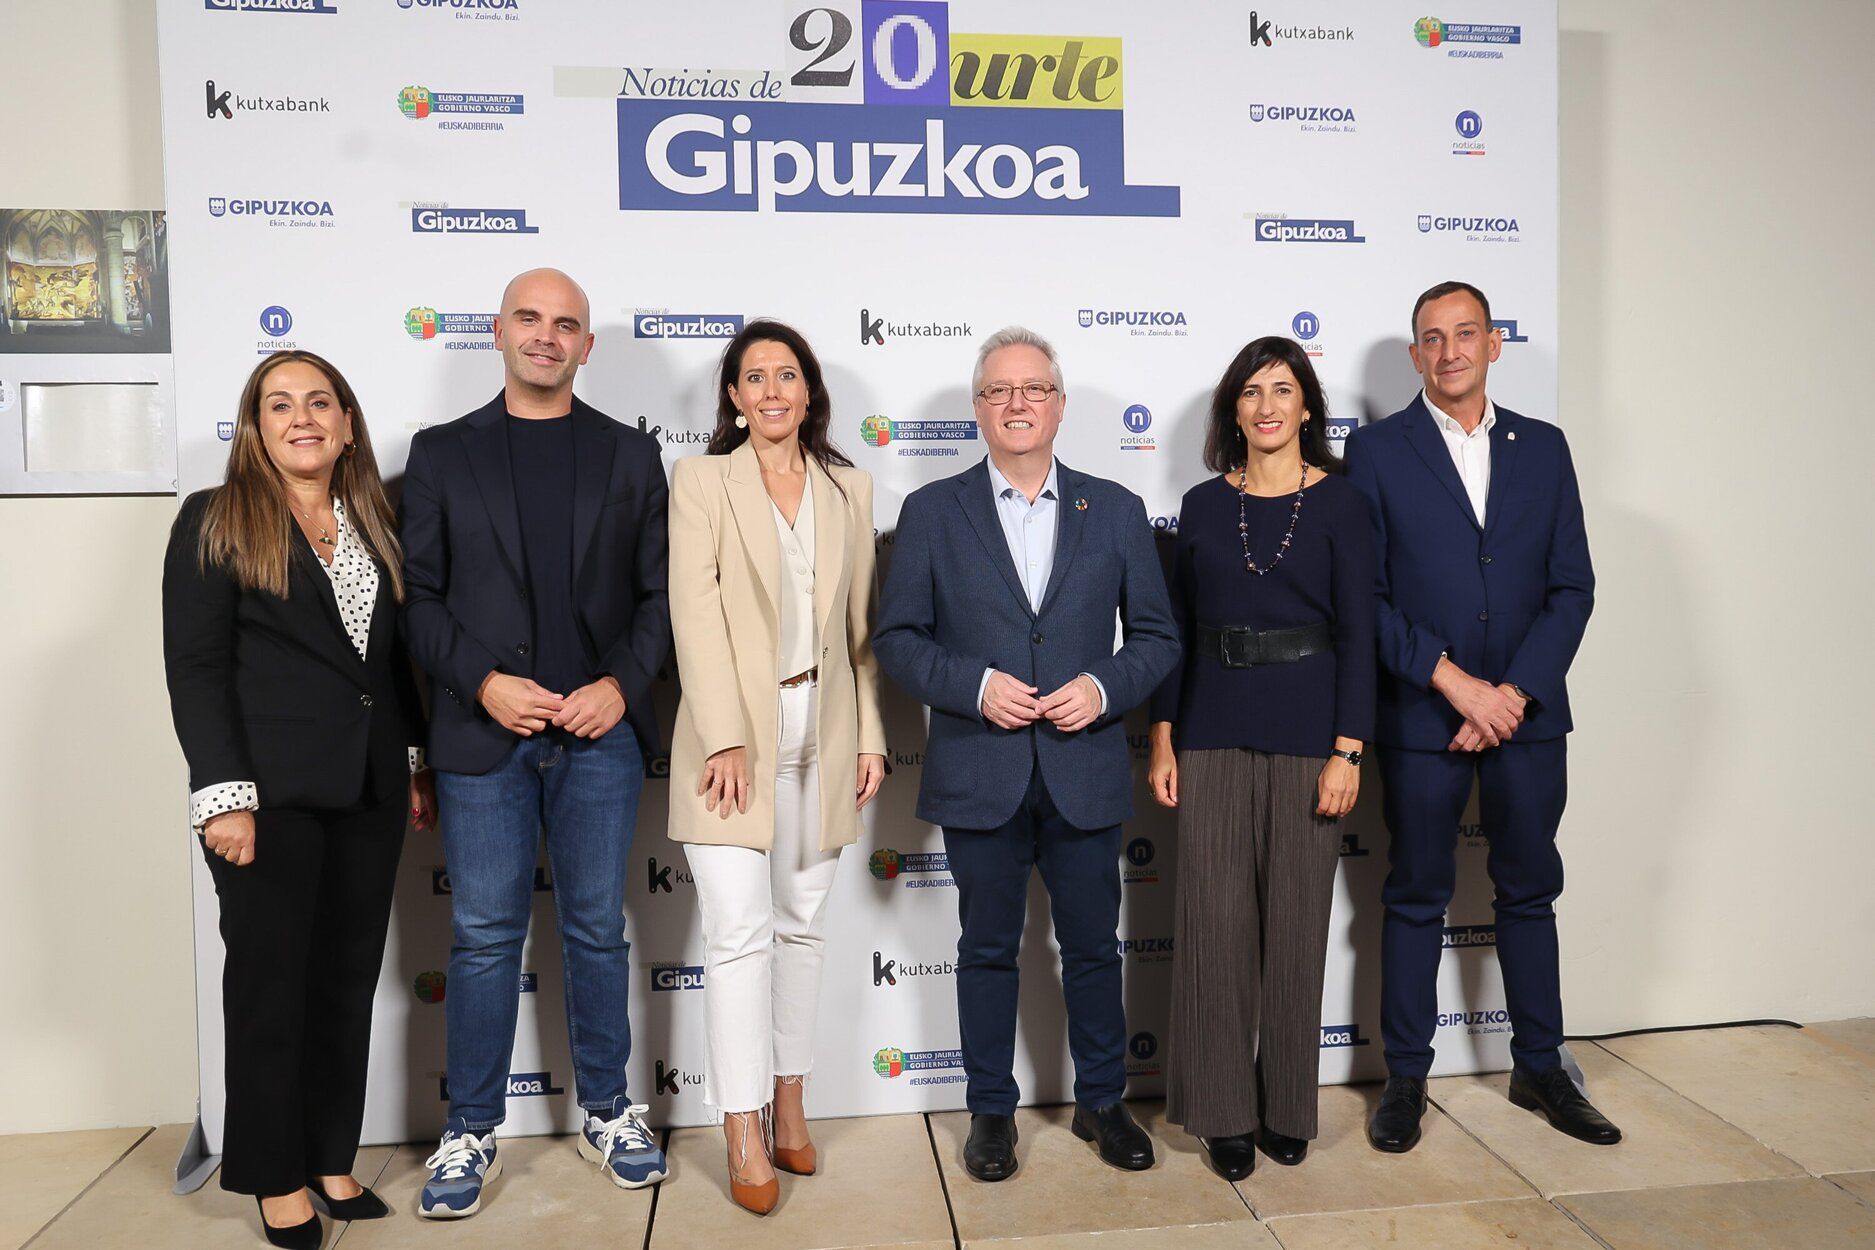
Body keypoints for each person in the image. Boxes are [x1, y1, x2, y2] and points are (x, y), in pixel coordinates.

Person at [874, 327, 1180, 1182]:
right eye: (998, 390)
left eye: (1033, 389)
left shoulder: (1113, 509)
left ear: (1058, 405)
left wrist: (1102, 687)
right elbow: (896, 639)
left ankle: (1103, 1103)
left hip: (1083, 768)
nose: (1016, 403)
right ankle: (989, 1114)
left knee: (1092, 949)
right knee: (985, 949)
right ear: (977, 408)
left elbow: (1157, 638)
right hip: (982, 769)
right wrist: (972, 686)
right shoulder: (934, 512)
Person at [400, 268, 673, 1217]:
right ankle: (469, 1128)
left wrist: (618, 687)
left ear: (587, 346)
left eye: (566, 325)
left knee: (597, 929)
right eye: (530, 318)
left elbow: (659, 600)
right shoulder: (438, 454)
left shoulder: (631, 458)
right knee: (480, 937)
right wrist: (481, 681)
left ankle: (607, 1109)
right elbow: (418, 603)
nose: (547, 336)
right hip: (482, 736)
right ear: (499, 331)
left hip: (597, 739)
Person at [162, 350, 432, 1249]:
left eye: (321, 402)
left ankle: (328, 1156)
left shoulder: (375, 523)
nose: (302, 417)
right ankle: (273, 1174)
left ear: (348, 422)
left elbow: (385, 667)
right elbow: (196, 670)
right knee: (270, 988)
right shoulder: (214, 519)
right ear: (255, 427)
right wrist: (223, 798)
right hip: (265, 798)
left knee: (345, 982)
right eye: (280, 405)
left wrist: (413, 761)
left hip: (368, 789)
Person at [1345, 280, 1619, 1152]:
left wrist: (1513, 695)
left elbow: (1570, 587)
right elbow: (1368, 598)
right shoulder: (1378, 453)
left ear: (1493, 343)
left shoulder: (1543, 447)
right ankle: (1406, 1082)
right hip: (1425, 717)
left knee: (1529, 893)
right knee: (1416, 894)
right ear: (1415, 353)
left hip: (1526, 719)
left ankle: (1540, 1066)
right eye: (1432, 337)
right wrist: (1457, 686)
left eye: (1466, 333)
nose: (1450, 350)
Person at [666, 320, 886, 1215]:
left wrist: (871, 734)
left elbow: (862, 634)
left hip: (823, 725)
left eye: (784, 375)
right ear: (732, 396)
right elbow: (694, 608)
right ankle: (742, 1123)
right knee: (736, 934)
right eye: (752, 377)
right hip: (734, 734)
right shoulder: (701, 481)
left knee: (801, 923)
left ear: (807, 391)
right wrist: (723, 734)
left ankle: (793, 1097)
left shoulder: (849, 487)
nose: (769, 391)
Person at [1147, 337, 1375, 1179]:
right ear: (1232, 410)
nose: (1267, 405)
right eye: (1250, 392)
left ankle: (1286, 1106)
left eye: (1283, 390)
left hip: (1310, 736)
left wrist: (1348, 749)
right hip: (1207, 730)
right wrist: (1164, 732)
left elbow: (1359, 635)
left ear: (1308, 407)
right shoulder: (1204, 505)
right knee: (1212, 929)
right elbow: (1172, 629)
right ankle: (1220, 1113)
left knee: (1294, 927)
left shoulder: (1343, 506)